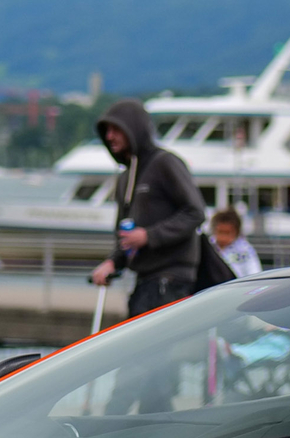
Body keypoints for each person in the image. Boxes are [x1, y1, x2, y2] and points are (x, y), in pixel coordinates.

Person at [86, 99, 207, 315]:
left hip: (171, 280)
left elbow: (195, 212)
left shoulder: (165, 163)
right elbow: (123, 233)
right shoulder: (125, 177)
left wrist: (149, 236)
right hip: (144, 281)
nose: (109, 136)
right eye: (107, 131)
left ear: (134, 128)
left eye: (116, 129)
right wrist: (113, 262)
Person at [210, 207, 261, 278]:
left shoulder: (244, 250)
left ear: (236, 233)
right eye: (220, 232)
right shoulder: (209, 247)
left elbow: (254, 273)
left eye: (227, 233)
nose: (223, 237)